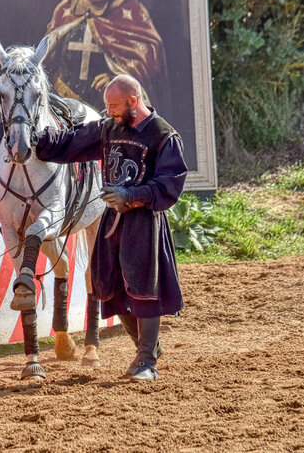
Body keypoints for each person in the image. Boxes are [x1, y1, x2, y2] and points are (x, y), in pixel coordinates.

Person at [33, 74, 187, 382]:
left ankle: (146, 362)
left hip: (144, 221)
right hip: (112, 222)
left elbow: (170, 186)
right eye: (107, 107)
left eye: (114, 106)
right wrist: (30, 136)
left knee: (144, 288)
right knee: (109, 288)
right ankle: (148, 347)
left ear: (133, 101)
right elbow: (70, 142)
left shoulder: (163, 136)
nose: (110, 112)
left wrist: (131, 195)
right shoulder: (110, 128)